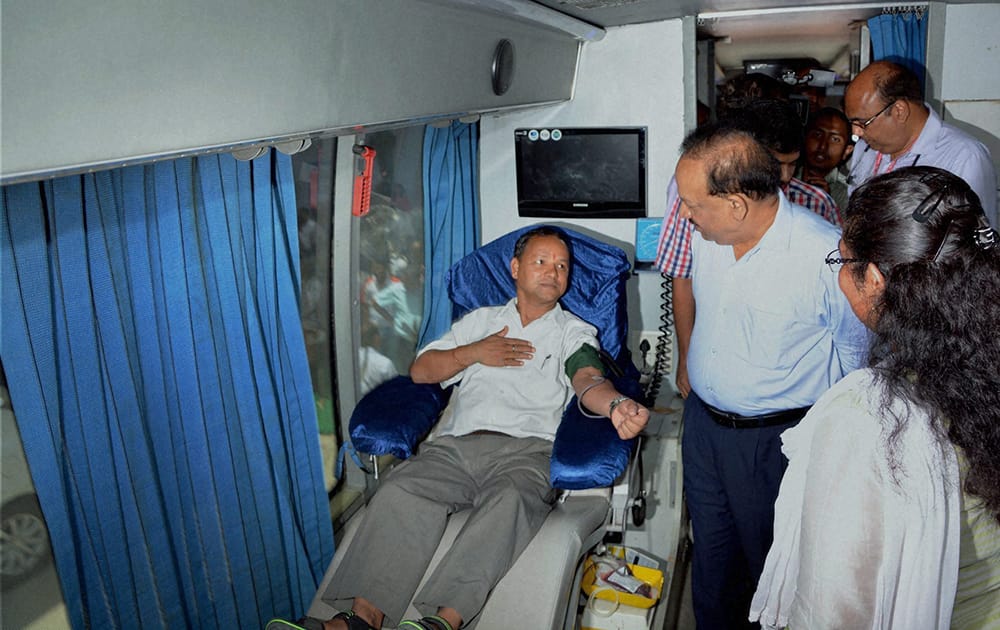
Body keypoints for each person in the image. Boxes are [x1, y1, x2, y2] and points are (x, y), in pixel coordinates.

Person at [282, 227, 649, 630]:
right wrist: (473, 353)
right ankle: (360, 619)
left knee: (509, 501)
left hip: (526, 453)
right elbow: (422, 372)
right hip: (455, 448)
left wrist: (614, 404)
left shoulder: (572, 331)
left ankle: (443, 622)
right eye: (541, 261)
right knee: (400, 489)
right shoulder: (481, 321)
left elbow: (587, 379)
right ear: (515, 268)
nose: (553, 272)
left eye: (562, 265)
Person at [751, 166, 1000, 629]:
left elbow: (833, 606)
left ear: (877, 279)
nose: (840, 276)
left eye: (842, 262)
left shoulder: (866, 421)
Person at [674, 121, 869, 629]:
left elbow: (858, 361)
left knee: (776, 570)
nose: (685, 214)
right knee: (711, 562)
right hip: (703, 429)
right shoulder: (709, 237)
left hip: (775, 444)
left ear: (736, 204)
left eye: (693, 204)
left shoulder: (824, 256)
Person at [655, 99, 841, 398]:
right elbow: (683, 279)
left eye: (792, 163)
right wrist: (687, 357)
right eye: (775, 163)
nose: (784, 176)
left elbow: (846, 331)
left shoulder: (818, 207)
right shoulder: (696, 204)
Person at [844, 60, 997, 227]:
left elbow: (978, 242)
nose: (855, 132)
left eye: (862, 122)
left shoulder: (964, 158)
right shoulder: (866, 147)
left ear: (899, 111)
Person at [799, 107, 854, 214]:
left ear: (847, 151)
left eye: (835, 139)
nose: (823, 146)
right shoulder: (784, 179)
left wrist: (828, 205)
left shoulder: (848, 194)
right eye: (817, 135)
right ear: (805, 138)